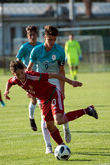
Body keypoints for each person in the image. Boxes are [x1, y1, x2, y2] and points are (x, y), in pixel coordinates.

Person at [4, 60, 98, 148]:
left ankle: (87, 110)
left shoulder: (33, 76)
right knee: (49, 126)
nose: (21, 76)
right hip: (44, 101)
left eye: (22, 73)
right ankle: (62, 146)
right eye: (18, 74)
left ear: (24, 70)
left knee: (59, 120)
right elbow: (9, 82)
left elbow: (55, 75)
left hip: (53, 94)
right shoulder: (15, 79)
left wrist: (71, 82)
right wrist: (6, 91)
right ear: (14, 74)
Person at [27, 25, 70, 154]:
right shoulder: (36, 51)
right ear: (44, 37)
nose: (51, 43)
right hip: (41, 83)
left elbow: (62, 72)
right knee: (45, 117)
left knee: (59, 115)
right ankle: (48, 146)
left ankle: (66, 127)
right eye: (49, 39)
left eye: (54, 40)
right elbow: (29, 69)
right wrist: (28, 89)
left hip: (56, 81)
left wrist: (62, 91)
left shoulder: (60, 51)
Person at [16, 25, 42, 132]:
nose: (32, 37)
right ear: (27, 36)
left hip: (40, 76)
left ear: (37, 35)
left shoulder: (41, 46)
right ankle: (31, 118)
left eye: (34, 35)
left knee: (41, 101)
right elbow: (17, 61)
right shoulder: (24, 47)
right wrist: (25, 69)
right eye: (30, 35)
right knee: (34, 100)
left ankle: (45, 123)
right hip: (28, 77)